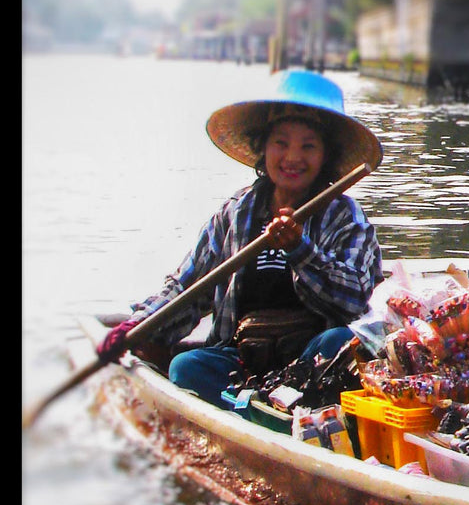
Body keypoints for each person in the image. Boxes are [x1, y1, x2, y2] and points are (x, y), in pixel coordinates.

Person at [96, 70, 384, 408]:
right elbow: (187, 289)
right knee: (185, 366)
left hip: (314, 367)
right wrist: (138, 327)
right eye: (281, 143)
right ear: (264, 147)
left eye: (308, 146)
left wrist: (300, 250)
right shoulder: (236, 213)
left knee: (340, 342)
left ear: (326, 156)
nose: (292, 157)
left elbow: (352, 302)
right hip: (243, 365)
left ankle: (280, 410)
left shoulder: (345, 217)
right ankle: (253, 409)